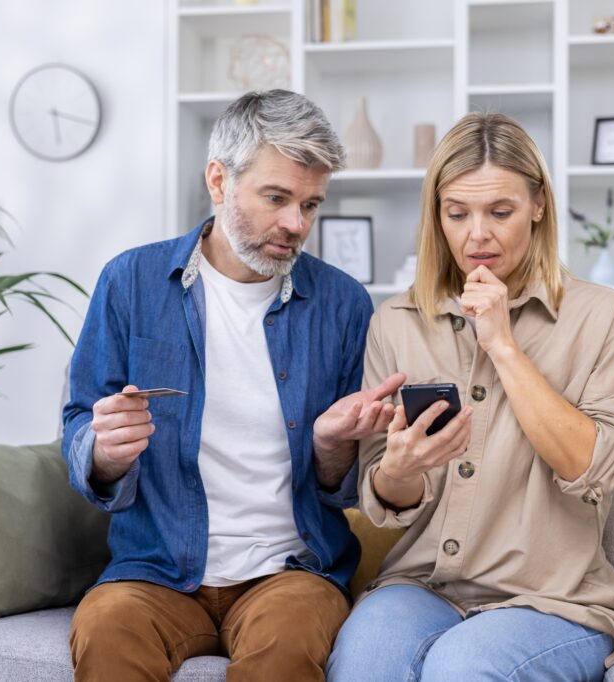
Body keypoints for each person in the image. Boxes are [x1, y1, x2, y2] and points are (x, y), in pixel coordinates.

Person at [61, 89, 404, 682]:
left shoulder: (344, 304)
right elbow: (77, 426)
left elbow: (347, 489)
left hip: (292, 572)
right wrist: (103, 452)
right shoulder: (130, 282)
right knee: (105, 631)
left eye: (311, 204)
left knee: (288, 650)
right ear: (218, 181)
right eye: (277, 198)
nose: (295, 224)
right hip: (155, 570)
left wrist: (330, 447)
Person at [327, 112, 614, 681]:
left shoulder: (600, 315)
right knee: (364, 665)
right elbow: (387, 494)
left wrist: (502, 344)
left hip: (554, 598)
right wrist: (399, 468)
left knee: (462, 668)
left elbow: (597, 467)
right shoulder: (397, 323)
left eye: (500, 212)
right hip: (422, 586)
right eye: (458, 213)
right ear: (437, 216)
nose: (478, 234)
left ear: (538, 205)